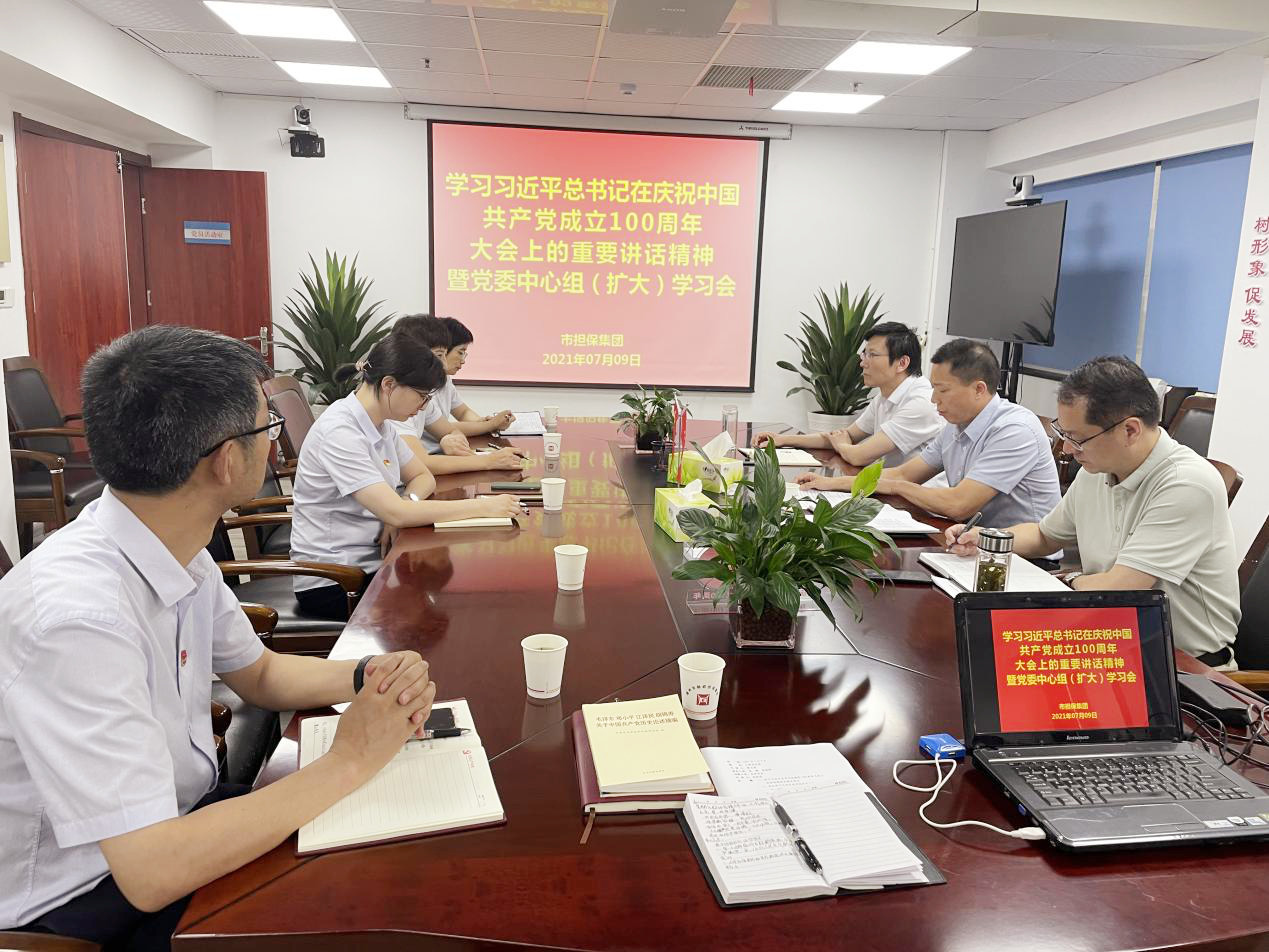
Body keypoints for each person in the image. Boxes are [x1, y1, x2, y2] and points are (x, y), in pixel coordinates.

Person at [0, 325, 437, 948]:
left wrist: (370, 676)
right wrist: (349, 758)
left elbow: (260, 673)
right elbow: (152, 871)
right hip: (84, 895)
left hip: (180, 821)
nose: (276, 444)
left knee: (383, 854)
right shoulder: (78, 619)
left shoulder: (171, 541)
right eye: (269, 429)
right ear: (227, 460)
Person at [945, 355, 1241, 665]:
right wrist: (986, 538)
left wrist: (1071, 580)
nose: (1067, 450)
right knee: (974, 654)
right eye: (1064, 434)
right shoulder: (1096, 471)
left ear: (1130, 430)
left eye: (1078, 439)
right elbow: (1044, 536)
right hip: (1109, 640)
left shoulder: (1187, 484)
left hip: (1183, 666)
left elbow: (1122, 588)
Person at [290, 333, 523, 619]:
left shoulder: (382, 423)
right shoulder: (340, 432)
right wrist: (484, 507)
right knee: (444, 611)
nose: (423, 406)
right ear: (389, 384)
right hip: (336, 580)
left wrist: (403, 503)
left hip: (376, 561)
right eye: (421, 396)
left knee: (452, 599)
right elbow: (398, 513)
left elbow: (423, 476)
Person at [798, 338, 1060, 531]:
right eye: (933, 388)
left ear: (979, 389)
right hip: (968, 541)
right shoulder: (956, 425)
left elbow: (959, 505)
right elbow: (902, 474)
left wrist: (898, 488)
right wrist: (834, 484)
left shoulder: (1014, 429)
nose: (934, 399)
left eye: (942, 390)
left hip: (1024, 559)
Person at [753, 321, 943, 466]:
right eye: (864, 354)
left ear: (902, 363)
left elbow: (859, 456)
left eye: (872, 355)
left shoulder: (921, 402)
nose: (862, 363)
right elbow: (846, 435)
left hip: (919, 499)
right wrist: (782, 440)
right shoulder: (885, 395)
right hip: (892, 488)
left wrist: (843, 444)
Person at [389, 315, 528, 472]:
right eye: (439, 355)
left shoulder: (423, 393)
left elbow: (451, 428)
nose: (443, 364)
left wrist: (450, 437)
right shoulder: (399, 400)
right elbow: (420, 464)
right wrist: (489, 458)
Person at [419, 316, 518, 457]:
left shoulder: (445, 380)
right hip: (431, 455)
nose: (463, 360)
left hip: (445, 453)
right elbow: (445, 427)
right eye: (460, 352)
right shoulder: (420, 388)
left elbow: (463, 412)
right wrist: (490, 425)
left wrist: (482, 422)